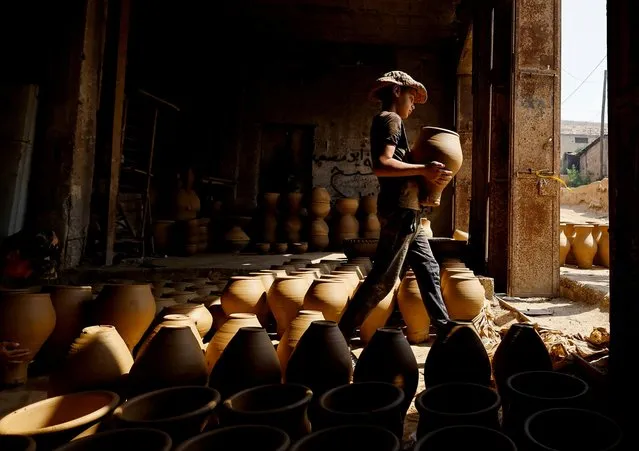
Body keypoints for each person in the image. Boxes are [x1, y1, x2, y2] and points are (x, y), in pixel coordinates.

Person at [338, 70, 456, 339]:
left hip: (408, 210)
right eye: (411, 97)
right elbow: (382, 165)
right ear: (396, 92)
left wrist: (424, 180)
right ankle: (339, 333)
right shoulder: (390, 119)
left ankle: (444, 326)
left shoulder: (390, 121)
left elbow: (399, 167)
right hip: (400, 210)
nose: (413, 105)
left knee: (428, 269)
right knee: (384, 277)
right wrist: (424, 169)